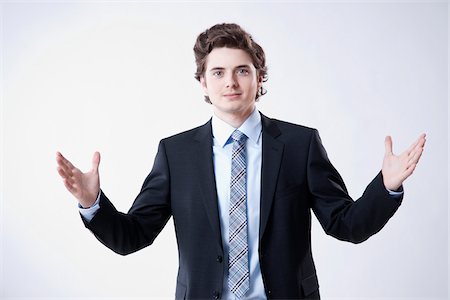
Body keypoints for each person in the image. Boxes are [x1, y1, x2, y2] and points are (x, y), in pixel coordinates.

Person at [56, 23, 426, 299]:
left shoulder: (300, 144)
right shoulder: (176, 153)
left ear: (259, 78)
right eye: (217, 72)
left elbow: (346, 225)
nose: (230, 81)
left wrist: (386, 187)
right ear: (202, 82)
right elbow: (133, 236)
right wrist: (93, 205)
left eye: (242, 70)